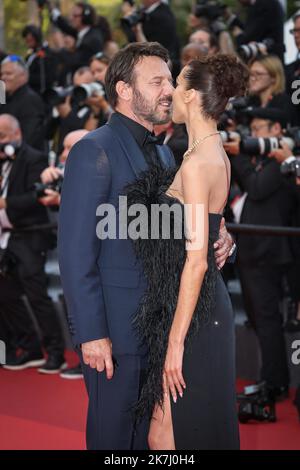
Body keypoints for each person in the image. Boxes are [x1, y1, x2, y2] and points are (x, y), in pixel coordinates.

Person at [58, 42, 237, 450]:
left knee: (153, 444)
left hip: (164, 327)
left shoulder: (168, 155)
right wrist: (91, 333)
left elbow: (183, 233)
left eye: (170, 81)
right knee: (115, 441)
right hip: (115, 336)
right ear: (124, 89)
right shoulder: (94, 150)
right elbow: (73, 252)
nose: (168, 91)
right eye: (156, 81)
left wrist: (223, 239)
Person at [0, 114, 66, 373]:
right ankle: (29, 348)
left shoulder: (34, 157)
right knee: (6, 295)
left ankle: (55, 353)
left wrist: (6, 203)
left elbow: (37, 195)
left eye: (3, 135)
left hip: (30, 234)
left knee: (36, 294)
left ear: (17, 134)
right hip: (7, 236)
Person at [0, 55, 46, 152]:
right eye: (2, 74)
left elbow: (29, 137)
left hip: (23, 161)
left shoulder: (31, 100)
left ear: (23, 75)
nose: (3, 77)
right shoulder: (4, 97)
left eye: (8, 73)